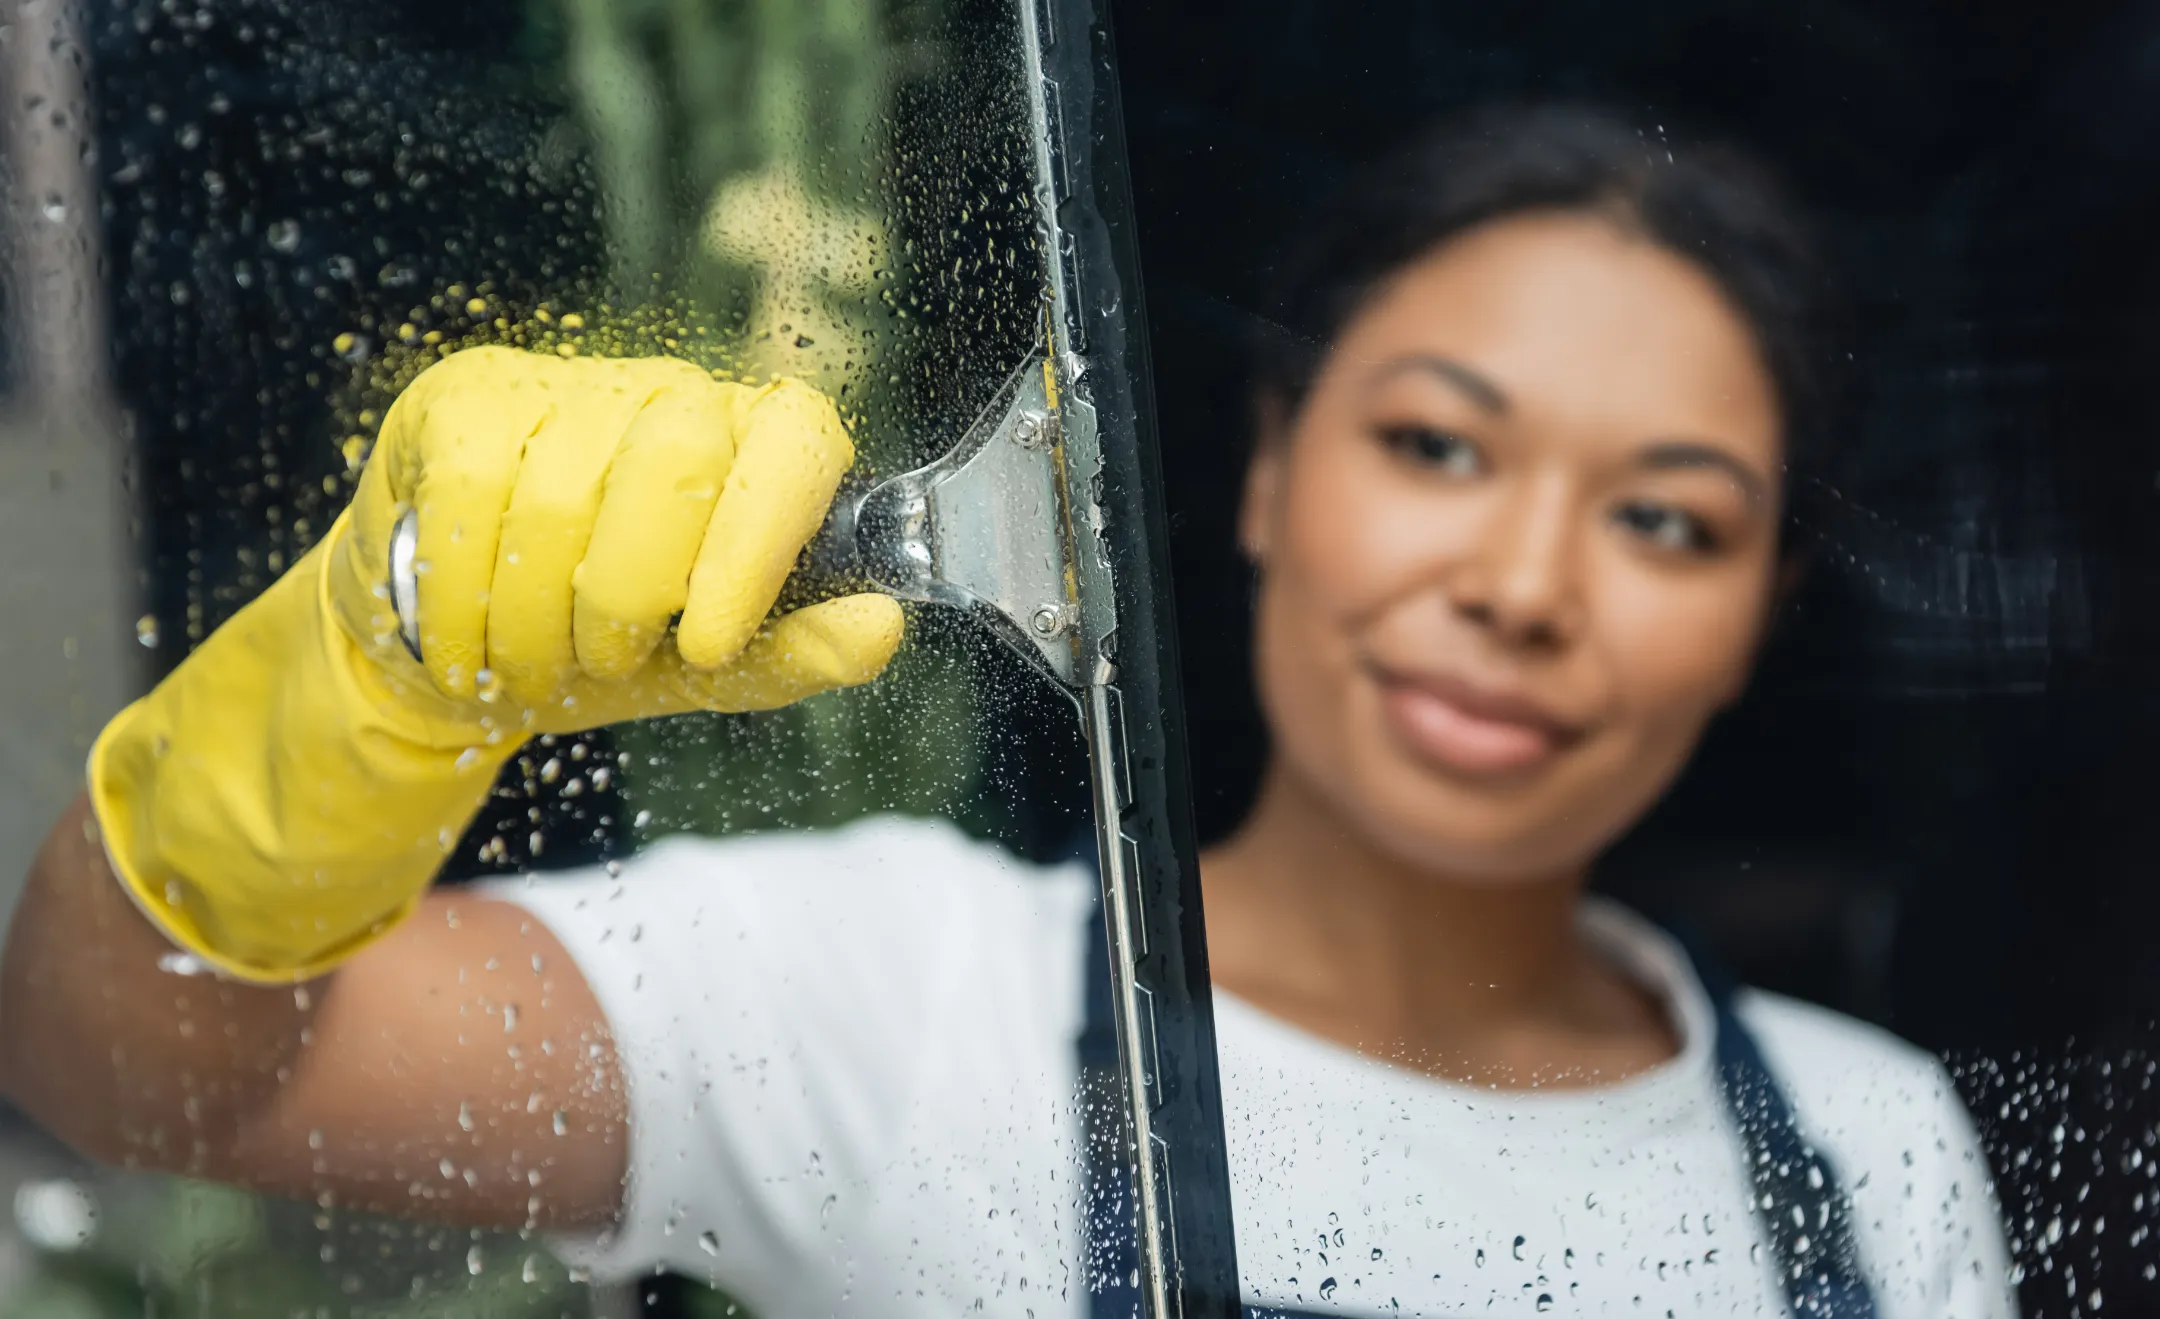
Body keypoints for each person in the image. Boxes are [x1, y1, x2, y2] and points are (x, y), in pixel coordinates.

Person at [0, 106, 2016, 1318]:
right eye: (1437, 443)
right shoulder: (890, 983)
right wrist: (362, 685)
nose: (1520, 581)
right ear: (1256, 474)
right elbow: (143, 1069)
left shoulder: (1862, 1149)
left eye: (1667, 516)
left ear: (1757, 614)